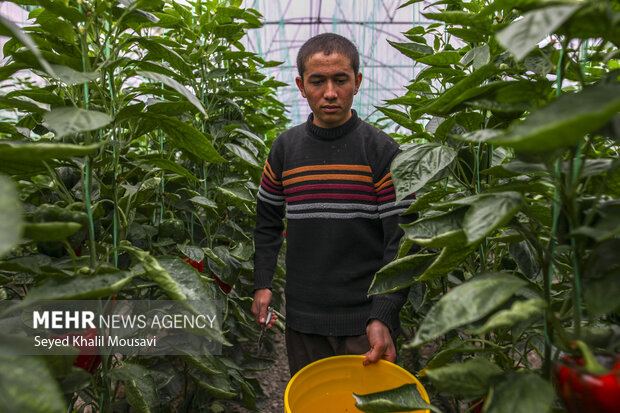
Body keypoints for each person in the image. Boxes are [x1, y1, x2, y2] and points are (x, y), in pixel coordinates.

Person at [251, 33, 417, 376]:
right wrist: (262, 282)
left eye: (340, 80)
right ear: (301, 85)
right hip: (303, 321)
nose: (330, 92)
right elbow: (268, 220)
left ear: (356, 82)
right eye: (317, 81)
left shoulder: (381, 151)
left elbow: (403, 240)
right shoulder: (285, 149)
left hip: (364, 324)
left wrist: (382, 314)